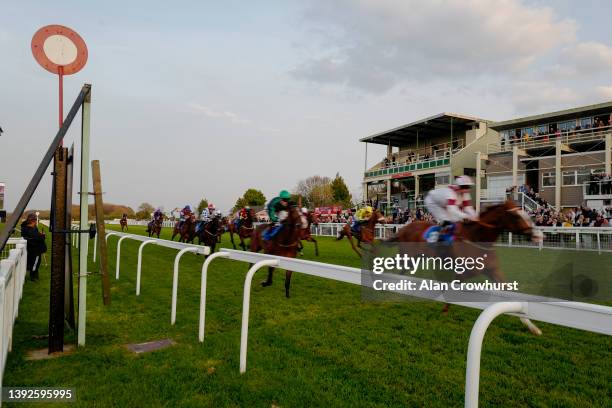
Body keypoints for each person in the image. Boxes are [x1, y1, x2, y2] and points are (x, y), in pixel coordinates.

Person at [424, 175, 478, 243]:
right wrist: (468, 216)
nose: (467, 189)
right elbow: (452, 210)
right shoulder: (451, 193)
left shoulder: (465, 194)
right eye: (465, 187)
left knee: (456, 221)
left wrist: (475, 216)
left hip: (444, 205)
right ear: (458, 187)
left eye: (468, 187)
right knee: (447, 221)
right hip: (433, 202)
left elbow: (468, 208)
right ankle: (434, 239)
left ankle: (450, 237)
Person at [20, 213, 46, 281]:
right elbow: (36, 238)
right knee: (35, 263)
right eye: (34, 220)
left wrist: (40, 234)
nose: (35, 222)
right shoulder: (29, 228)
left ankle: (34, 275)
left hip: (33, 248)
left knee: (34, 262)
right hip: (35, 249)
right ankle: (33, 277)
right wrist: (42, 236)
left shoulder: (30, 227)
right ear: (32, 221)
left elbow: (36, 235)